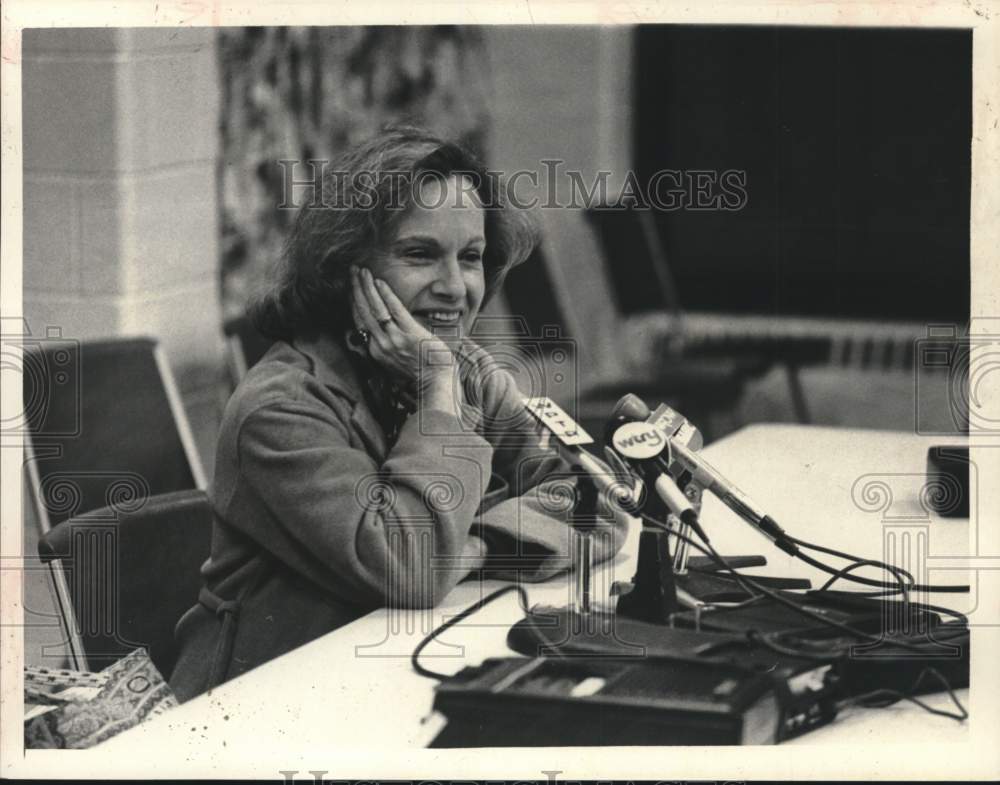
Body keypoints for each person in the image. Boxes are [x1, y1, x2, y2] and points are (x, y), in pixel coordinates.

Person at [169, 127, 627, 701]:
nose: (454, 287)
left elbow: (601, 502)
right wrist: (436, 390)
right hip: (266, 696)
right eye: (419, 255)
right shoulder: (280, 409)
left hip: (393, 668)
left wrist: (477, 544)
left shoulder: (470, 372)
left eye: (471, 258)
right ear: (344, 267)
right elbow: (412, 569)